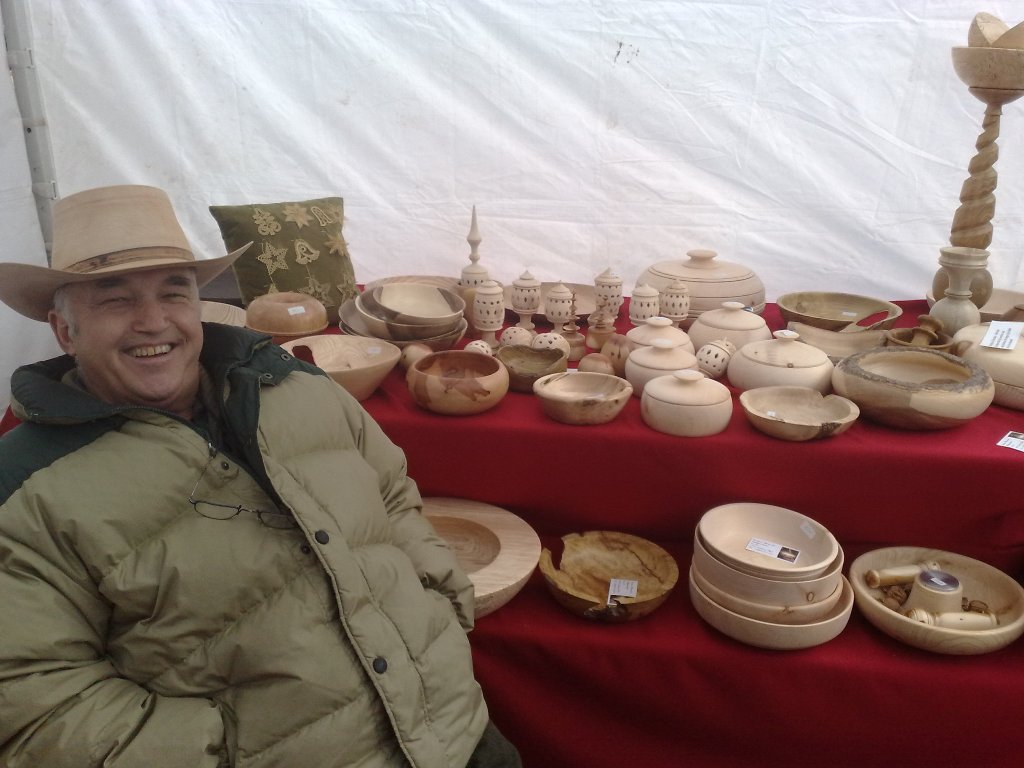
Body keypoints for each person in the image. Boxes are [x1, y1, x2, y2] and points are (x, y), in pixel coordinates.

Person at [0, 184, 520, 768]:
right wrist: (227, 750)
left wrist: (439, 607)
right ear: (64, 331)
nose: (153, 321)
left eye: (174, 292)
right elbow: (34, 700)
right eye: (115, 300)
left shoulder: (297, 386)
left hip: (456, 728)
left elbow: (393, 495)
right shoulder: (25, 489)